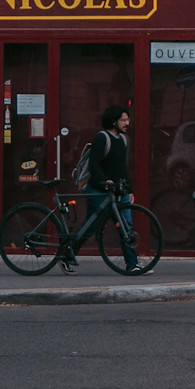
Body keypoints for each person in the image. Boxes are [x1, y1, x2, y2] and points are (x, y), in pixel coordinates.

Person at [78, 103, 136, 266]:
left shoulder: (123, 140)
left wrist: (129, 189)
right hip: (99, 190)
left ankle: (133, 264)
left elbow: (122, 168)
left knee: (127, 227)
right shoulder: (102, 138)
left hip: (118, 191)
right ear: (113, 121)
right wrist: (105, 180)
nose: (127, 123)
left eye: (128, 120)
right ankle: (68, 254)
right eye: (123, 120)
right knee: (91, 226)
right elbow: (93, 165)